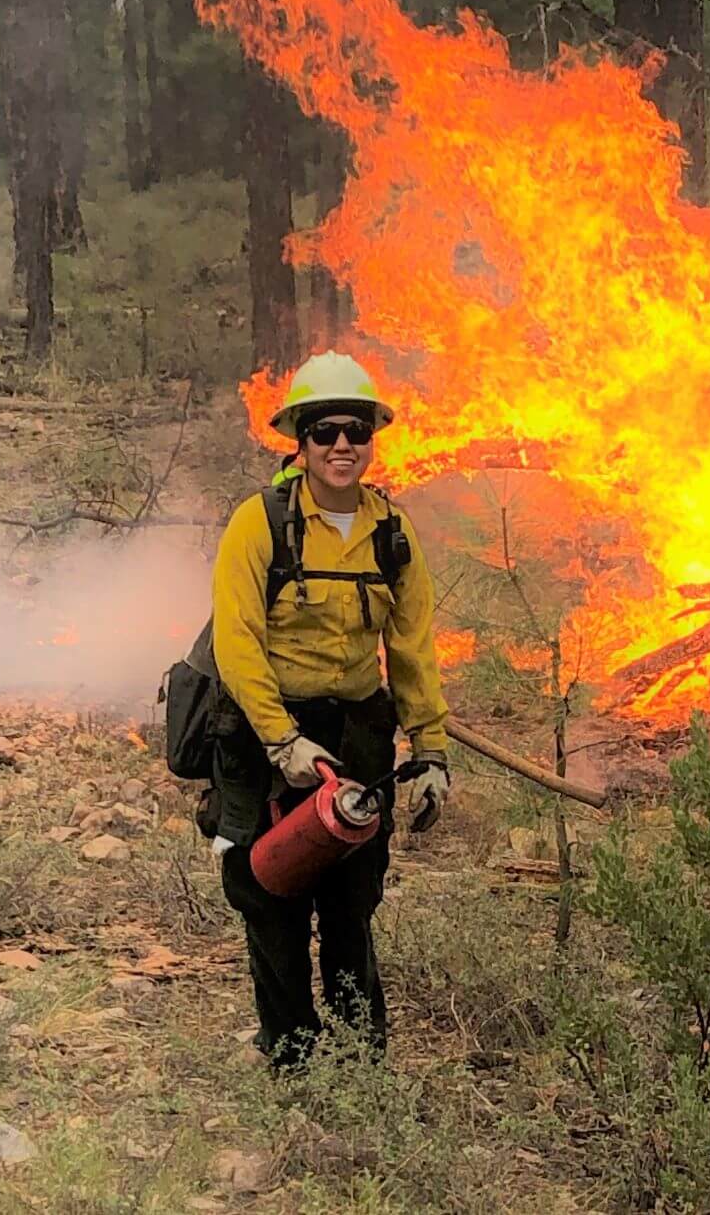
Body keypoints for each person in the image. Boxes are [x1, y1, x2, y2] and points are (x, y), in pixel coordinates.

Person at [208, 351, 451, 1066]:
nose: (342, 445)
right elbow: (238, 645)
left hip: (357, 734)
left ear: (373, 439)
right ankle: (290, 1056)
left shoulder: (392, 535)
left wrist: (430, 751)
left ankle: (358, 1059)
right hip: (267, 735)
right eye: (324, 431)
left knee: (352, 901)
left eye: (356, 430)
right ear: (300, 441)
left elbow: (412, 652)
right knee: (271, 895)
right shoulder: (259, 525)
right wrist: (285, 744)